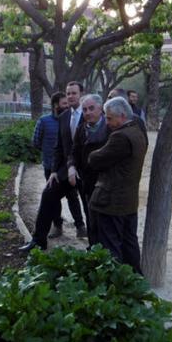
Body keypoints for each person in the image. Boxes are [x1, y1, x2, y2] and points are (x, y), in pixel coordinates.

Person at [19, 82, 88, 252]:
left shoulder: (89, 114)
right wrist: (54, 171)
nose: (71, 96)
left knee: (89, 207)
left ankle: (95, 245)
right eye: (68, 93)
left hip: (87, 170)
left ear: (81, 94)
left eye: (74, 93)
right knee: (48, 194)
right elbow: (58, 147)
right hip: (64, 170)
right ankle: (38, 241)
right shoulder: (63, 117)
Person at [86, 97, 148, 273]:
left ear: (122, 116)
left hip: (112, 201)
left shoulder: (120, 136)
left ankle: (116, 288)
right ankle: (135, 281)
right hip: (129, 201)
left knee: (111, 248)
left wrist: (95, 152)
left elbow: (94, 159)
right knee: (130, 244)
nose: (107, 122)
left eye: (109, 118)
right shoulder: (137, 131)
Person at [67, 94, 109, 248]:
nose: (88, 112)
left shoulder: (110, 128)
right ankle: (93, 250)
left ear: (101, 109)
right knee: (90, 219)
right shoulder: (82, 129)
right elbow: (74, 152)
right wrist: (71, 166)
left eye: (91, 108)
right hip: (87, 183)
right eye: (85, 110)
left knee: (104, 222)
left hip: (106, 185)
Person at [32, 92, 69, 235]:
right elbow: (36, 141)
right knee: (53, 196)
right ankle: (57, 225)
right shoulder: (44, 121)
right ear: (55, 105)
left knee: (73, 198)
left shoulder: (68, 119)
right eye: (64, 103)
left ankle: (80, 226)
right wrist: (48, 152)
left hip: (67, 167)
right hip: (50, 166)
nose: (66, 106)